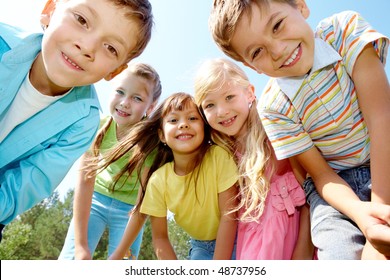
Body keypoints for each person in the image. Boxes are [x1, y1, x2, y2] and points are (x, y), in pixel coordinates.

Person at [209, 0, 390, 259]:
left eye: (278, 25)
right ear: (252, 67)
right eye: (257, 52)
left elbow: (381, 118)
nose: (278, 50)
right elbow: (321, 174)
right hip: (335, 191)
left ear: (300, 6)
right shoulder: (273, 107)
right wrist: (362, 215)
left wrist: (380, 220)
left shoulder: (344, 30)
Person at [0, 0, 154, 242]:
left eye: (111, 48)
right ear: (49, 11)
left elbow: (26, 185)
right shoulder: (2, 43)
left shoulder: (83, 123)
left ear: (114, 71)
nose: (87, 48)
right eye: (82, 20)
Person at [194, 57, 313, 259]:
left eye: (229, 97)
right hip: (252, 248)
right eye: (210, 105)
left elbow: (310, 192)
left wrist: (304, 250)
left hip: (293, 242)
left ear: (249, 93)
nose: (222, 111)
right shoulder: (221, 154)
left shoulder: (275, 132)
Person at [99, 92, 239, 260]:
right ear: (162, 135)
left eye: (192, 118)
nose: (183, 125)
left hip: (237, 236)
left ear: (204, 127)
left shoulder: (218, 156)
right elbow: (160, 238)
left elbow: (229, 216)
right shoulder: (158, 180)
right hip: (200, 246)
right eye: (173, 120)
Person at [58, 62, 161, 260]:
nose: (124, 103)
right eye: (120, 92)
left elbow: (143, 203)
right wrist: (80, 246)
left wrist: (121, 252)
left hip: (129, 213)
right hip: (94, 201)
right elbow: (85, 182)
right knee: (71, 259)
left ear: (151, 106)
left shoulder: (151, 143)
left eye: (137, 98)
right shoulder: (97, 127)